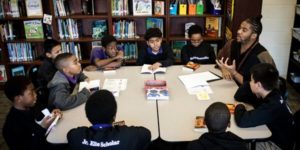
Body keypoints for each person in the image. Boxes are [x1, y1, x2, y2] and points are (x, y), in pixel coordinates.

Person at [234, 63, 294, 150]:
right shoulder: (269, 92)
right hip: (275, 135)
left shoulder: (272, 105)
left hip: (275, 145)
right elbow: (239, 96)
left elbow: (242, 121)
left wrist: (239, 106)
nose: (249, 83)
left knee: (237, 144)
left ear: (258, 85)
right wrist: (252, 85)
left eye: (251, 80)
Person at [67, 90, 151, 150]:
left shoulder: (75, 136)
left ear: (87, 117)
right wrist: (121, 128)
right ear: (114, 116)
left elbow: (70, 134)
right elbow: (146, 133)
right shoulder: (130, 135)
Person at [2, 76, 62, 150]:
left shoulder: (32, 105)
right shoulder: (11, 127)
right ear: (18, 99)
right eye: (31, 93)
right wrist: (42, 128)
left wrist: (53, 111)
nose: (36, 94)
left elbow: (45, 109)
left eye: (34, 91)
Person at [216, 16, 275, 85]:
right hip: (229, 84)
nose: (238, 31)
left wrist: (234, 73)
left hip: (249, 93)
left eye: (244, 30)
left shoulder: (262, 55)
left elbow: (268, 84)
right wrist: (223, 69)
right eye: (239, 28)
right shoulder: (231, 44)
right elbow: (219, 59)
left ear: (254, 36)